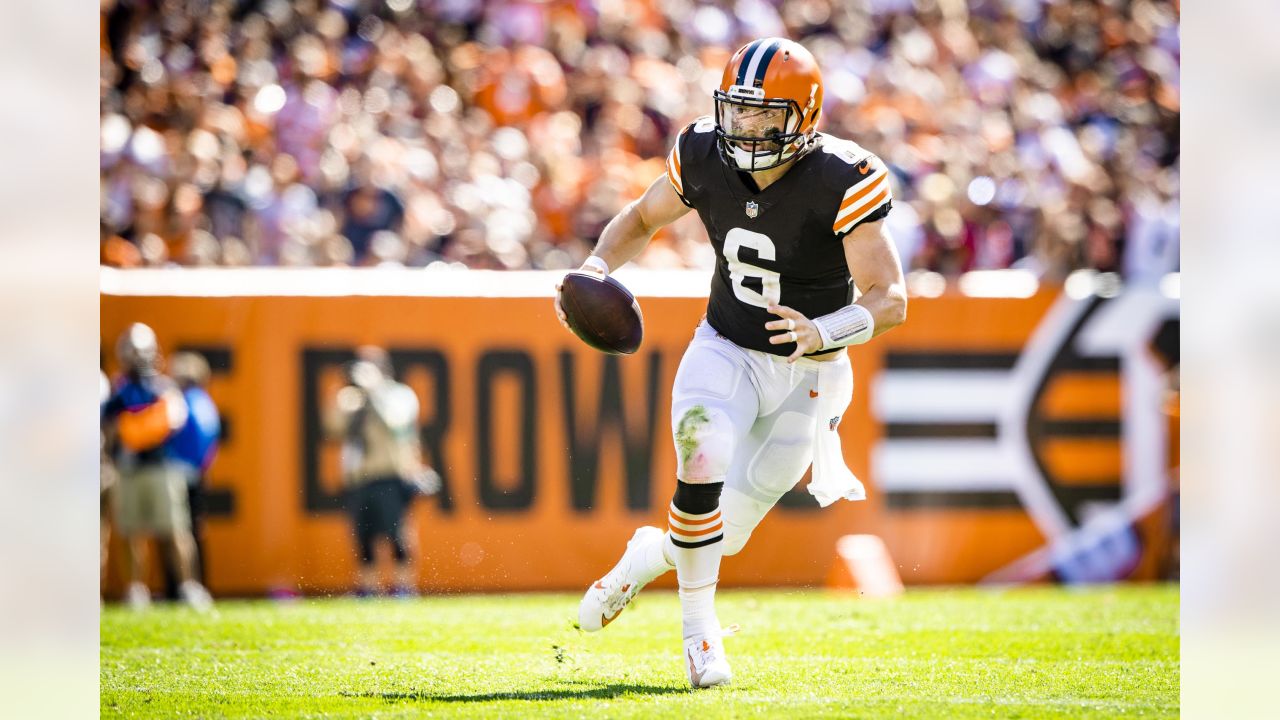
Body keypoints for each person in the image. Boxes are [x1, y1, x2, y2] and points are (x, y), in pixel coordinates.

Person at [555, 38, 908, 688]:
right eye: (738, 111)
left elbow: (891, 300)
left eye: (764, 115)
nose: (746, 128)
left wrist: (826, 329)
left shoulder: (843, 178)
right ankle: (699, 639)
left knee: (726, 536)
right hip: (725, 347)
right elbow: (639, 219)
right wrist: (595, 268)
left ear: (804, 116)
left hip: (812, 371)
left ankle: (642, 558)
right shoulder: (700, 153)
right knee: (701, 460)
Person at [102, 324, 214, 612]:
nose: (138, 357)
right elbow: (109, 427)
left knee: (175, 529)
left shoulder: (164, 388)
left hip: (162, 467)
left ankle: (189, 585)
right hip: (128, 468)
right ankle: (136, 589)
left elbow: (170, 423)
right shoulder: (119, 391)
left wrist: (136, 428)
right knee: (130, 533)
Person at [326, 347, 440, 597]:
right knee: (363, 537)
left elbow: (396, 423)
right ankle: (367, 588)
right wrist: (344, 395)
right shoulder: (351, 398)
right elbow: (332, 428)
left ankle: (403, 588)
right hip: (359, 478)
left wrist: (375, 391)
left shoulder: (399, 395)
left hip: (391, 473)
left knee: (397, 534)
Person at [165, 351, 222, 588]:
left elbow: (183, 436)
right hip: (195, 474)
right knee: (193, 532)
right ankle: (195, 585)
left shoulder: (189, 401)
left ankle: (184, 586)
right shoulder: (204, 402)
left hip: (182, 475)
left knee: (180, 533)